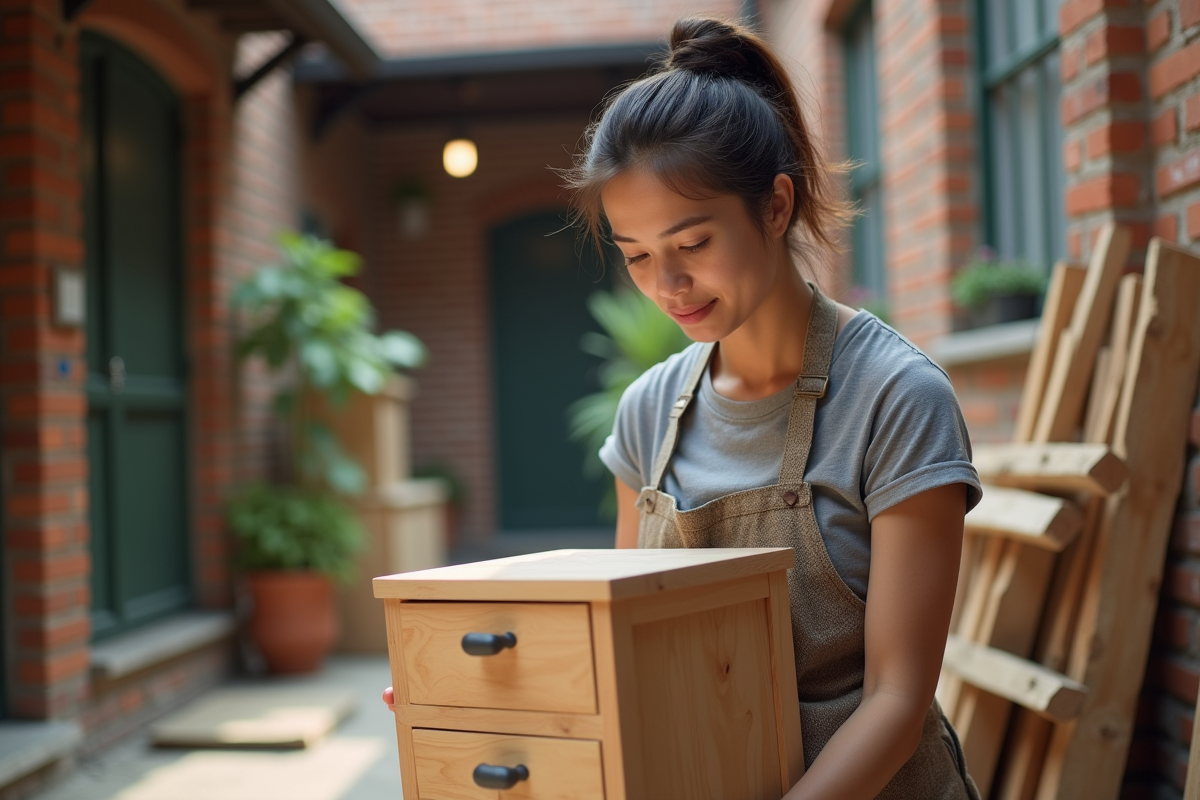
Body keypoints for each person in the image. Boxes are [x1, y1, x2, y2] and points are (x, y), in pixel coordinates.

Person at [383, 15, 982, 799]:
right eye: (636, 256)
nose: (667, 286)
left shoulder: (896, 399)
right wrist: (490, 697)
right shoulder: (647, 413)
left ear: (774, 206)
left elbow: (897, 702)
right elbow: (633, 659)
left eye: (692, 244)